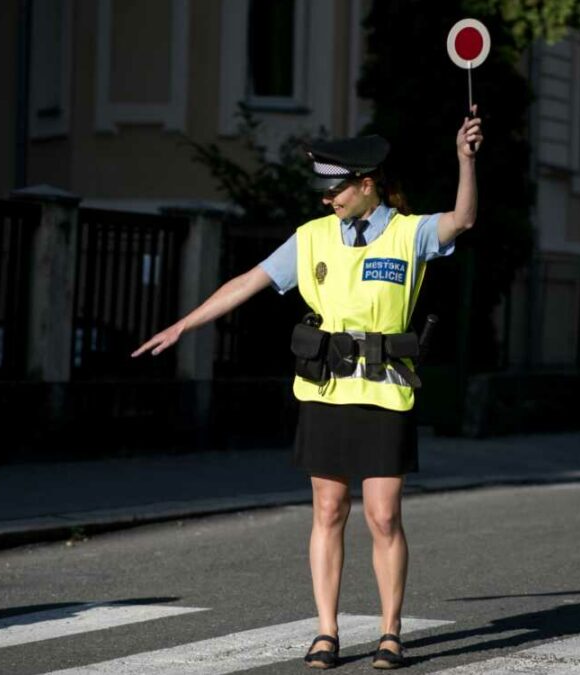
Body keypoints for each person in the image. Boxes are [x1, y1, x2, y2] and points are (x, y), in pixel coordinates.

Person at [132, 109, 482, 669]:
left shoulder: (406, 231)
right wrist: (183, 324)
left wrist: (465, 160)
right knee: (327, 509)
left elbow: (462, 220)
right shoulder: (312, 238)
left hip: (386, 390)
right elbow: (248, 281)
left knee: (384, 516)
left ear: (367, 185)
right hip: (325, 390)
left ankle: (391, 631)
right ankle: (327, 631)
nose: (328, 201)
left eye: (337, 190)